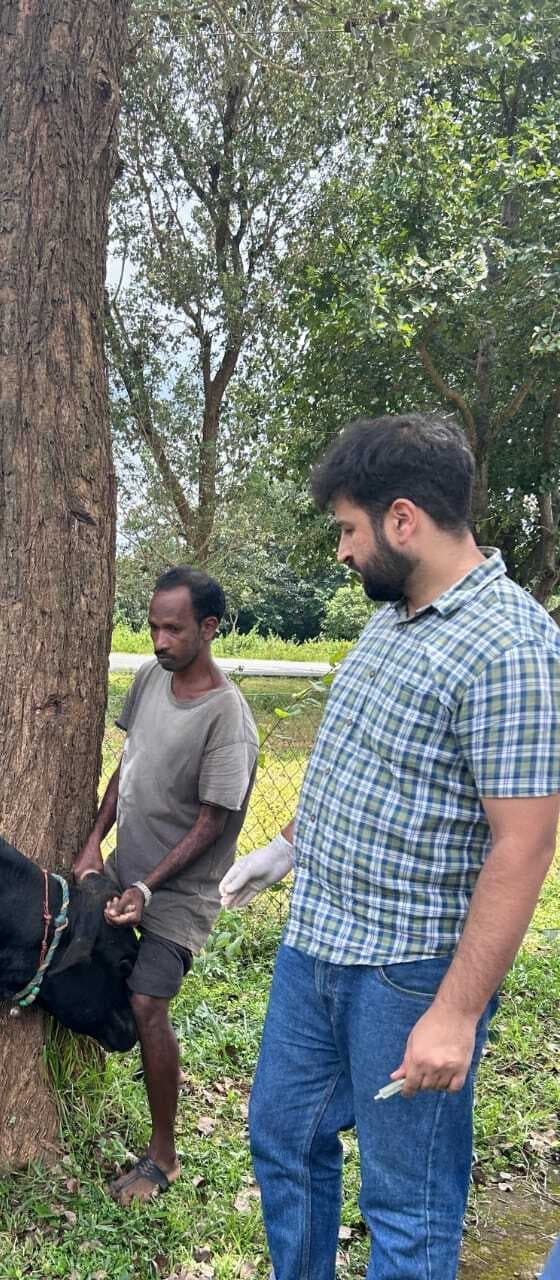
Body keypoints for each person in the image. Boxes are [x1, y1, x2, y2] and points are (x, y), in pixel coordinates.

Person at [220, 414, 560, 1279]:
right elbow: (368, 772)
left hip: (407, 975)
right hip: (318, 943)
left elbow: (523, 846)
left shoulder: (510, 651)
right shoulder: (395, 617)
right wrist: (287, 850)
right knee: (284, 1139)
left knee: (405, 1204)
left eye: (348, 528)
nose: (343, 549)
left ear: (402, 519)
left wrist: (453, 1014)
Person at [73, 566, 259, 1205]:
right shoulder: (151, 679)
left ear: (208, 628)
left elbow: (213, 823)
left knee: (149, 1004)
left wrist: (149, 888)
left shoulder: (226, 716)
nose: (158, 641)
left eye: (173, 629)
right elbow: (128, 767)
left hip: (181, 893)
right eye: (153, 626)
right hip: (127, 868)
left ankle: (163, 1157)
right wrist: (95, 838)